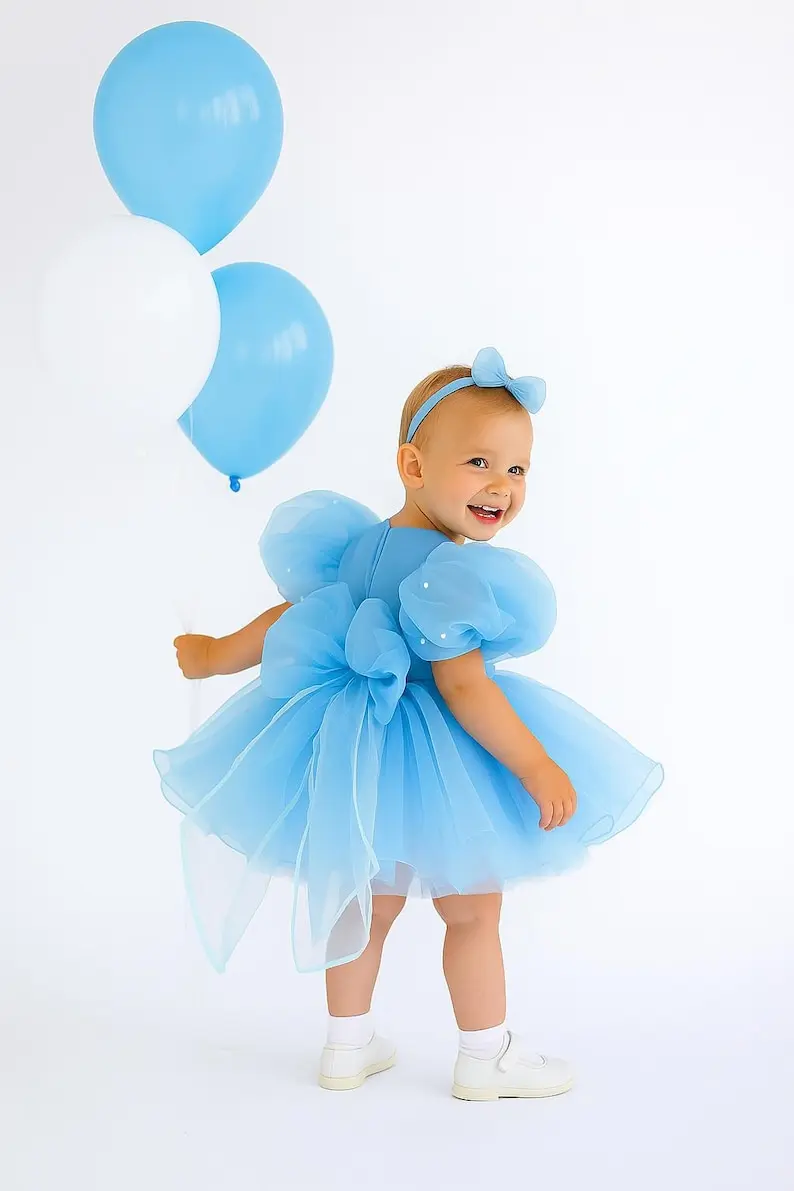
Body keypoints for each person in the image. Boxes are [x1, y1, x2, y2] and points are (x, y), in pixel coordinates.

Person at [154, 347, 663, 1101]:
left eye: (518, 470)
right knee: (472, 910)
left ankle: (346, 1045)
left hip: (358, 752)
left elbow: (290, 620)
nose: (502, 485)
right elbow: (464, 687)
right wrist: (533, 764)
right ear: (413, 465)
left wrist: (211, 655)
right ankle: (484, 1056)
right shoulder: (455, 575)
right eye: (480, 462)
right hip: (440, 761)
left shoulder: (358, 548)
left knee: (368, 901)